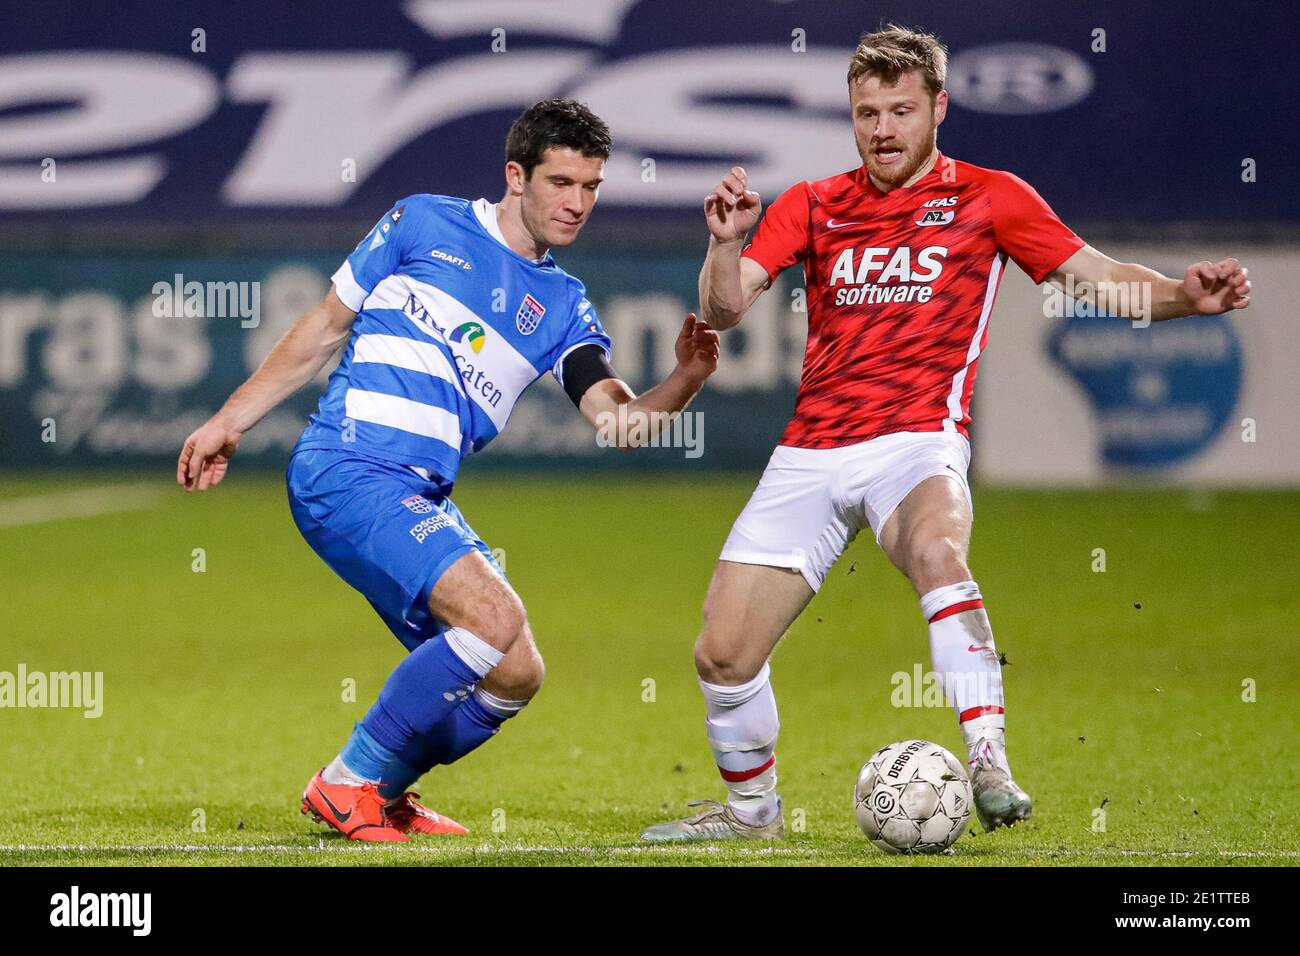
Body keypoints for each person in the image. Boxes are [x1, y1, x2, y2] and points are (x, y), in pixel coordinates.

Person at [641, 26, 1250, 842]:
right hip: (812, 449)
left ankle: (989, 759)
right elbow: (722, 308)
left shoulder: (993, 198)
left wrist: (1183, 295)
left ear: (939, 108)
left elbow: (1098, 279)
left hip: (918, 440)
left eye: (900, 110)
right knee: (721, 654)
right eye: (867, 113)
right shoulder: (813, 204)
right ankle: (753, 818)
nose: (882, 129)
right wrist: (724, 242)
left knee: (937, 551)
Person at [177, 99, 720, 842]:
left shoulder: (562, 305)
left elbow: (616, 421)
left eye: (591, 186)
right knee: (494, 620)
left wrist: (685, 378)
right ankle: (347, 781)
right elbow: (321, 330)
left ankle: (385, 788)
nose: (577, 202)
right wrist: (228, 421)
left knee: (516, 670)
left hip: (419, 493)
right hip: (348, 465)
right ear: (515, 175)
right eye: (561, 182)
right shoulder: (422, 223)